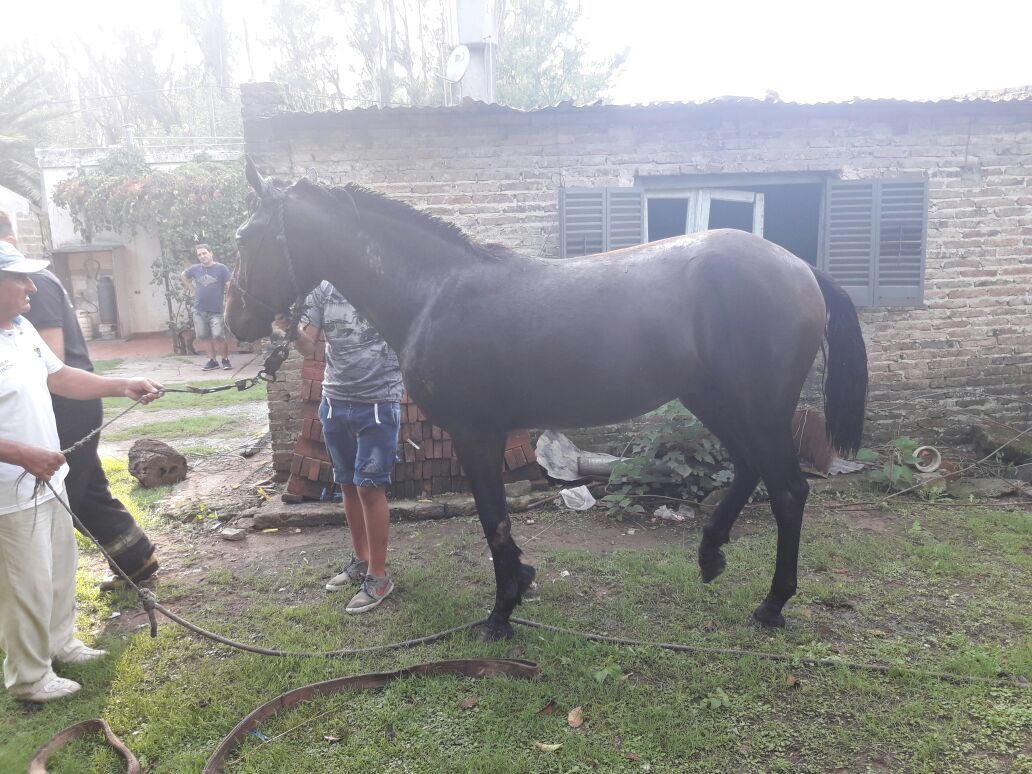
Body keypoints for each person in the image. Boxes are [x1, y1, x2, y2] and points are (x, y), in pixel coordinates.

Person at [0, 240, 162, 702]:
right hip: (9, 487)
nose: (31, 286)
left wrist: (121, 384)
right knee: (23, 580)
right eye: (18, 278)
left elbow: (60, 377)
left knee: (58, 563)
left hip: (47, 475)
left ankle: (61, 643)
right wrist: (18, 453)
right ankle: (30, 677)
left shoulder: (20, 329)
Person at [293, 281, 403, 614]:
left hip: (378, 402)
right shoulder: (323, 290)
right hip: (334, 401)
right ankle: (362, 560)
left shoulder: (386, 283)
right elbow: (305, 345)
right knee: (348, 486)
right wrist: (285, 325)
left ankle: (379, 576)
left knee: (370, 489)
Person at [180, 243, 232, 371]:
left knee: (219, 336)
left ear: (211, 253)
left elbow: (230, 286)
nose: (202, 256)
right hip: (199, 310)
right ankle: (212, 361)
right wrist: (191, 289)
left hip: (217, 310)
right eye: (199, 255)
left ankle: (225, 359)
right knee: (203, 336)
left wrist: (229, 302)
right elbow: (183, 275)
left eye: (204, 253)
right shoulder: (195, 269)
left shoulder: (221, 268)